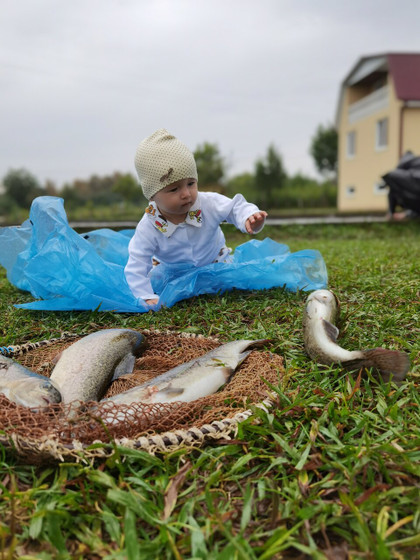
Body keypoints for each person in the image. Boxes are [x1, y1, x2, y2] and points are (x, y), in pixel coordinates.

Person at [124, 129, 268, 306]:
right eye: (174, 189)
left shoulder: (208, 203)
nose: (186, 194)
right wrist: (145, 295)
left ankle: (217, 279)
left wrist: (249, 216)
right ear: (152, 195)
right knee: (158, 279)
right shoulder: (149, 226)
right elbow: (138, 263)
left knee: (234, 281)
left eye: (191, 184)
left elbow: (234, 208)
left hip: (215, 264)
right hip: (172, 273)